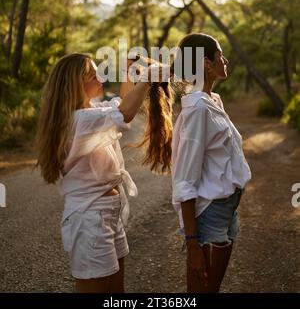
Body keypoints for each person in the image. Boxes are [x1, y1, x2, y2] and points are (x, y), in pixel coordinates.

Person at [36, 53, 167, 293]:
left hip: (107, 213)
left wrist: (130, 72)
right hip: (90, 217)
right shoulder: (80, 120)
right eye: (92, 75)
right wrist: (147, 78)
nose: (100, 76)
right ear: (75, 84)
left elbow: (124, 102)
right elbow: (125, 114)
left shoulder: (92, 111)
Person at [171, 33, 252, 293]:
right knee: (199, 289)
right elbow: (184, 179)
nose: (225, 60)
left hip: (227, 207)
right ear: (206, 63)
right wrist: (192, 243)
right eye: (220, 56)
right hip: (209, 213)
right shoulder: (197, 109)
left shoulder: (212, 101)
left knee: (212, 289)